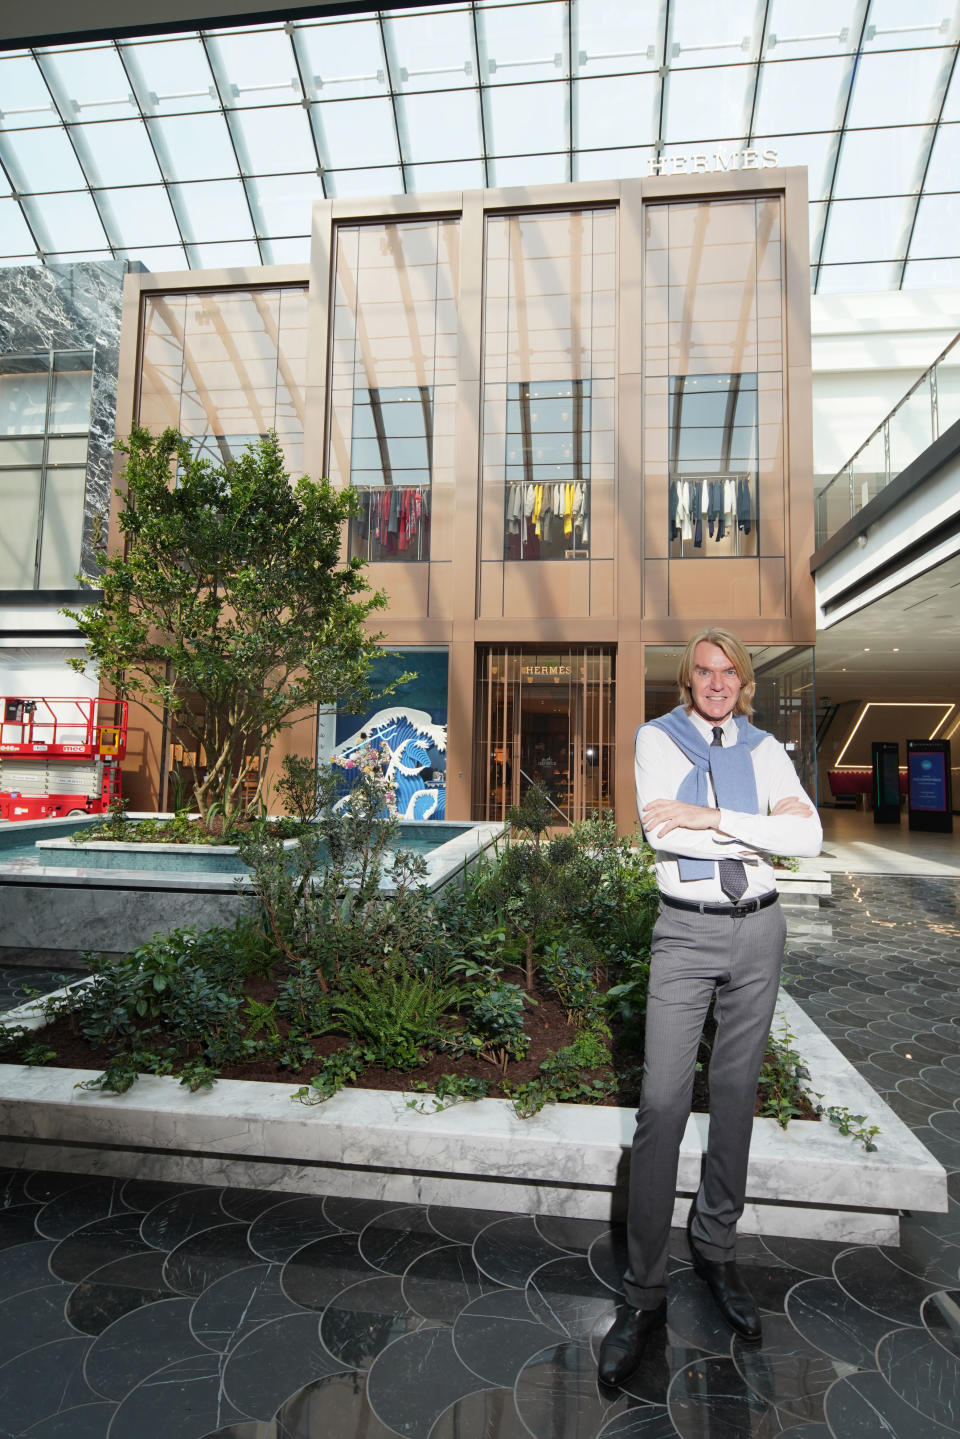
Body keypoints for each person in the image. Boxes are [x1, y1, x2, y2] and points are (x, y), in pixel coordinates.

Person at [598, 628, 822, 1386]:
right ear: (687, 678)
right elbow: (664, 829)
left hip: (759, 930)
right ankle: (643, 1289)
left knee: (733, 1095)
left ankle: (718, 1250)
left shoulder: (765, 748)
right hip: (687, 936)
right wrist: (761, 829)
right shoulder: (655, 740)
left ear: (743, 679)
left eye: (729, 671)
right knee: (662, 1102)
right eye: (705, 670)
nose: (717, 681)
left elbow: (811, 836)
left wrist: (715, 818)